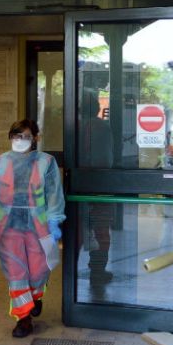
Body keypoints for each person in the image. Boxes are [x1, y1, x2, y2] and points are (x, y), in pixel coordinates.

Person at [0, 119, 65, 338]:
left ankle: (35, 296)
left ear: (36, 138)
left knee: (38, 270)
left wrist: (54, 220)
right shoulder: (1, 161)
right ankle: (23, 318)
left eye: (25, 136)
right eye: (16, 136)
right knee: (16, 272)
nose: (20, 141)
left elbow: (54, 193)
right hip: (6, 224)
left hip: (38, 223)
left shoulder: (47, 162)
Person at [79, 84, 115, 284]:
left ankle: (70, 272)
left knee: (78, 231)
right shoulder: (102, 127)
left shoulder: (74, 126)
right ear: (96, 109)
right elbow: (108, 157)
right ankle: (97, 270)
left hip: (77, 184)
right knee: (101, 230)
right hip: (99, 185)